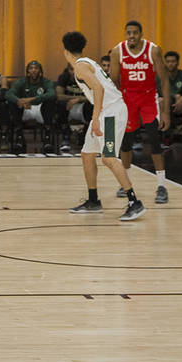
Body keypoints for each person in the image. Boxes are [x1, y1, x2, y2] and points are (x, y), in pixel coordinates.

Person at [63, 31, 146, 221]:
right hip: (105, 111)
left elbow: (98, 89)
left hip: (110, 113)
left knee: (108, 158)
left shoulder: (79, 67)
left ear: (65, 50)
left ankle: (135, 202)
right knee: (87, 155)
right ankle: (93, 201)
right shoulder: (88, 62)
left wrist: (96, 117)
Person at [110, 21, 171, 204]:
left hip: (148, 98)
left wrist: (166, 111)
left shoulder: (153, 50)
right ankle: (125, 183)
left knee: (154, 140)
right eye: (128, 33)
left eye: (135, 33)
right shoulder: (117, 51)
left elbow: (165, 81)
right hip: (128, 99)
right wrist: (115, 106)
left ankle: (161, 186)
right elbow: (113, 82)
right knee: (126, 143)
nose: (131, 36)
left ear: (141, 34)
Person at [6, 62, 58, 152]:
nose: (33, 70)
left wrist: (31, 99)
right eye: (31, 68)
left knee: (50, 101)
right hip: (25, 109)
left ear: (40, 71)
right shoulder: (22, 81)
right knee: (12, 103)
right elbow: (9, 94)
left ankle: (47, 137)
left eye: (36, 68)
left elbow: (52, 94)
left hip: (41, 110)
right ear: (28, 71)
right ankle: (19, 137)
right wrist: (19, 101)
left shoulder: (46, 81)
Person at [161, 52, 182, 146]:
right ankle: (167, 136)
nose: (170, 64)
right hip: (168, 100)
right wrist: (175, 96)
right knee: (165, 102)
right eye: (168, 61)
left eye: (173, 61)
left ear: (178, 62)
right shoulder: (160, 76)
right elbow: (160, 90)